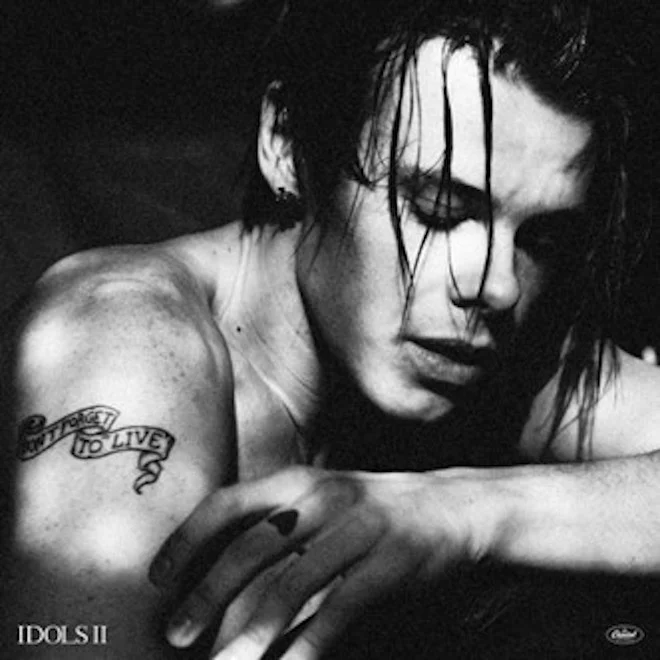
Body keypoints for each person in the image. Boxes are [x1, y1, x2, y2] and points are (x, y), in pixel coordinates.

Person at [1, 0, 659, 658]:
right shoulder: (127, 348)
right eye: (438, 209)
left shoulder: (478, 346)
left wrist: (467, 511)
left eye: (542, 238)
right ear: (286, 144)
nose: (498, 286)